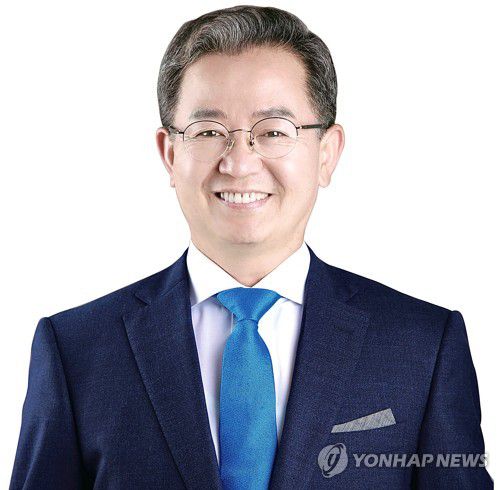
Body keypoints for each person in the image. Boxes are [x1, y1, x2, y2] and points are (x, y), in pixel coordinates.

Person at [9, 5, 493, 489]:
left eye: (274, 131)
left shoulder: (422, 346)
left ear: (327, 153)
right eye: (209, 132)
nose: (239, 164)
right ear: (170, 154)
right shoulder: (77, 350)